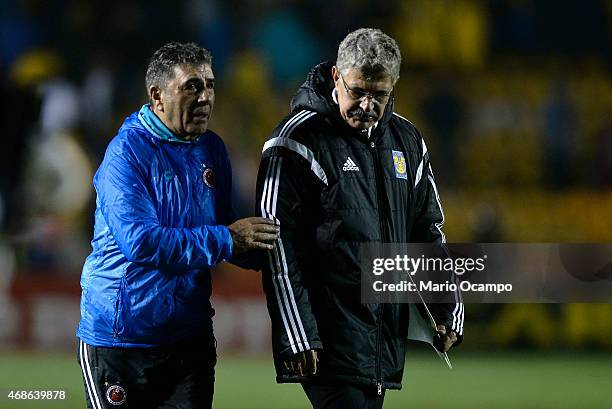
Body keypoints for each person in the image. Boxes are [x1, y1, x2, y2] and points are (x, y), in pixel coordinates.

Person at [256, 28, 464, 409]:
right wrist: (299, 335)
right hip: (327, 338)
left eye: (379, 94)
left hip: (382, 340)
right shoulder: (295, 142)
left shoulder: (408, 141)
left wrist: (446, 304)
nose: (368, 105)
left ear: (394, 85)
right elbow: (276, 246)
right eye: (358, 92)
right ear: (336, 77)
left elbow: (427, 230)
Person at [76, 42, 279, 409]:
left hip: (189, 337)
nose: (205, 97)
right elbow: (141, 242)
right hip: (122, 340)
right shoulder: (125, 155)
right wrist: (230, 239)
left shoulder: (212, 149)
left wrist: (277, 256)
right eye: (192, 86)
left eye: (210, 85)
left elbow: (222, 230)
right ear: (157, 95)